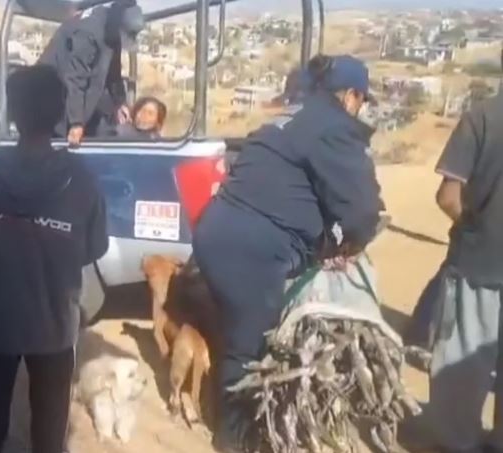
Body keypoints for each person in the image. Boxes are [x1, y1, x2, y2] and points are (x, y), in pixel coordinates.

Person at [191, 55, 382, 451]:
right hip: (251, 249)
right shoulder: (335, 127)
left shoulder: (292, 116)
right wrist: (350, 243)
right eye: (361, 101)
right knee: (251, 344)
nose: (359, 109)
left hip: (219, 232)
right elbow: (361, 209)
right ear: (350, 96)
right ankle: (234, 437)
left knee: (240, 329)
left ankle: (233, 405)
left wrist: (329, 239)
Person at [0, 65, 109, 453]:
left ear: (13, 113)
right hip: (54, 322)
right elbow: (95, 248)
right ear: (60, 114)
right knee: (51, 416)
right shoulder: (82, 178)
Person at [416, 48, 503, 453]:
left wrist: (468, 223)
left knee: (462, 369)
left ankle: (459, 444)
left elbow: (448, 196)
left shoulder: (481, 118)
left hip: (479, 264)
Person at [38, 0, 144, 146]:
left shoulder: (112, 32)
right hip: (55, 100)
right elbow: (75, 78)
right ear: (117, 26)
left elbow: (114, 72)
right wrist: (76, 122)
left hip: (83, 100)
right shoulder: (88, 32)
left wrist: (120, 102)